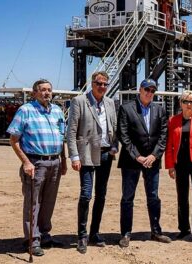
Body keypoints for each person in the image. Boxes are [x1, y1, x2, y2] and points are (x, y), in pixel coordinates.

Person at [7, 79, 67, 256]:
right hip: (35, 163)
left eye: (49, 90)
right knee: (33, 202)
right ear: (34, 93)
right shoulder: (26, 111)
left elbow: (61, 138)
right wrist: (26, 162)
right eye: (42, 90)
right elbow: (14, 140)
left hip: (55, 162)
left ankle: (45, 234)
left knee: (49, 201)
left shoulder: (57, 111)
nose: (47, 93)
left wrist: (63, 160)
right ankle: (32, 239)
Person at [67, 71, 118, 254]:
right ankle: (82, 235)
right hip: (87, 154)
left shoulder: (110, 103)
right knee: (86, 195)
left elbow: (114, 127)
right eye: (99, 83)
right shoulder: (79, 101)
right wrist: (74, 156)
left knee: (101, 195)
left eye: (105, 84)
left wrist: (114, 147)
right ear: (92, 83)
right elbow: (71, 132)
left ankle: (95, 233)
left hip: (105, 154)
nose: (102, 87)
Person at [117, 78, 171, 247]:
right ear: (140, 90)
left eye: (153, 91)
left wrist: (154, 156)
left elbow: (164, 135)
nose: (149, 93)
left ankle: (156, 231)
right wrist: (137, 156)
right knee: (127, 198)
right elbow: (123, 135)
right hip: (131, 161)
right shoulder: (126, 109)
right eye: (147, 89)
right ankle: (125, 233)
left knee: (153, 197)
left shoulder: (160, 110)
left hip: (152, 161)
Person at [165, 90, 192, 244]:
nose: (189, 104)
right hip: (180, 164)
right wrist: (170, 166)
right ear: (180, 103)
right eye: (186, 101)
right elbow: (169, 144)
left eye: (191, 101)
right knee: (182, 197)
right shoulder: (173, 120)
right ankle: (184, 229)